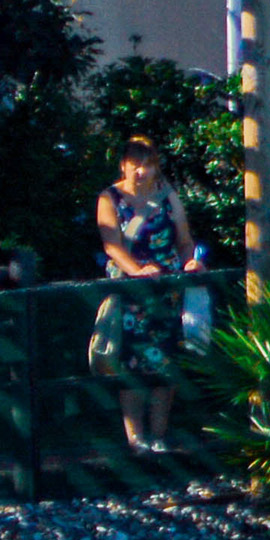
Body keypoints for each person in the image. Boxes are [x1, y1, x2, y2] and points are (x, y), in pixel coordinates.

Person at [90, 138, 202, 455]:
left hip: (167, 290)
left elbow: (184, 240)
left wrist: (189, 261)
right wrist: (136, 272)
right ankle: (136, 440)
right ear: (123, 165)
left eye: (147, 164)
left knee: (166, 364)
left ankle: (159, 436)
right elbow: (111, 244)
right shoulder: (110, 198)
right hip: (131, 292)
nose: (141, 171)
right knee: (131, 365)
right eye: (135, 164)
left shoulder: (167, 196)